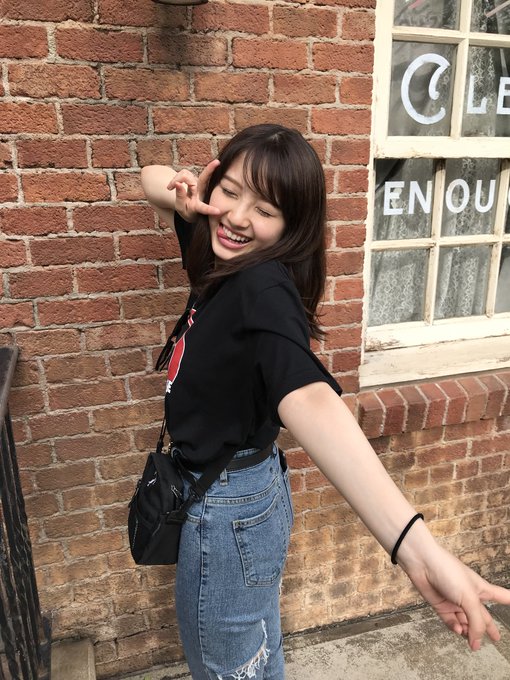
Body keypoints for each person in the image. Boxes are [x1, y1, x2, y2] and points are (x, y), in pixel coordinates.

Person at [141, 124, 510, 680]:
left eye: (265, 210)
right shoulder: (219, 244)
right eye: (231, 191)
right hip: (248, 489)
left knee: (228, 669)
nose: (238, 217)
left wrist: (417, 550)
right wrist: (186, 194)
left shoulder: (263, 288)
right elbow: (149, 179)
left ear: (292, 226)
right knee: (256, 654)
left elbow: (309, 398)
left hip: (228, 508)